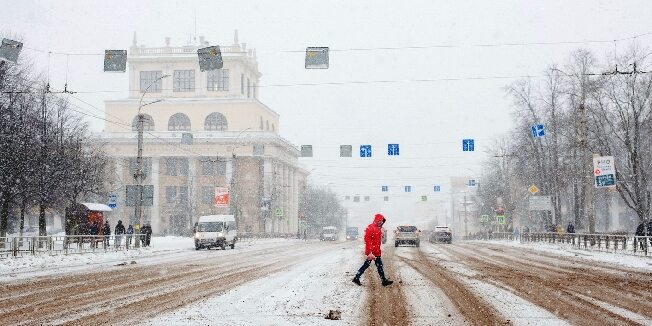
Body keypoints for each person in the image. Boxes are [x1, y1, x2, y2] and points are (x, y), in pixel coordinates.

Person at [352, 213, 393, 287]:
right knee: (371, 265)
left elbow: (377, 239)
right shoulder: (370, 228)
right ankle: (383, 280)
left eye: (381, 221)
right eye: (379, 221)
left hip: (376, 251)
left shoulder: (378, 228)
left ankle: (357, 278)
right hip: (372, 252)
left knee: (376, 265)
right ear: (376, 220)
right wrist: (370, 252)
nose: (381, 222)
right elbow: (368, 241)